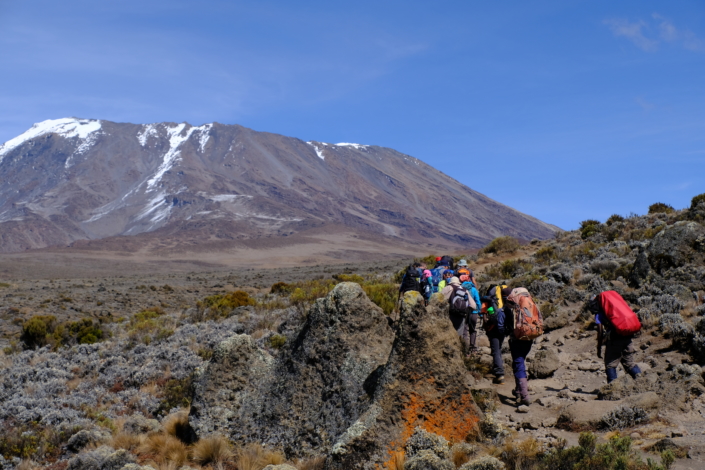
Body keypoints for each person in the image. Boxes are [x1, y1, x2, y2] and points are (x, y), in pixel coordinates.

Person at [589, 294, 642, 383]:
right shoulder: (616, 309)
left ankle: (612, 388)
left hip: (615, 338)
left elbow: (600, 331)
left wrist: (599, 347)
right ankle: (642, 381)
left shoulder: (599, 313)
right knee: (629, 363)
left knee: (610, 364)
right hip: (627, 336)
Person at [502, 286, 541, 406]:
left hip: (517, 339)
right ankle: (518, 390)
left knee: (518, 364)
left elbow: (503, 326)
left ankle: (524, 396)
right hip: (529, 337)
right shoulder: (529, 303)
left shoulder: (509, 308)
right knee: (520, 361)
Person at [482, 285, 507, 384]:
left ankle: (499, 374)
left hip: (493, 327)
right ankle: (498, 366)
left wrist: (486, 327)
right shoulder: (504, 300)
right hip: (503, 327)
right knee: (498, 347)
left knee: (495, 350)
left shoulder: (488, 300)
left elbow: (484, 315)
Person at [444, 276, 474, 352]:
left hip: (450, 314)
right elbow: (474, 306)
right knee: (459, 336)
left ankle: (448, 351)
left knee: (448, 334)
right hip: (461, 315)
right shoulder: (464, 290)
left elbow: (439, 298)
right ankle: (459, 353)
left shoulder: (448, 288)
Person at [461, 279, 482, 355]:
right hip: (474, 312)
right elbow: (478, 301)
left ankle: (465, 349)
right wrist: (479, 312)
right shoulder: (473, 289)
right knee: (472, 330)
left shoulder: (462, 288)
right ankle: (473, 348)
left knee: (465, 330)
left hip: (465, 313)